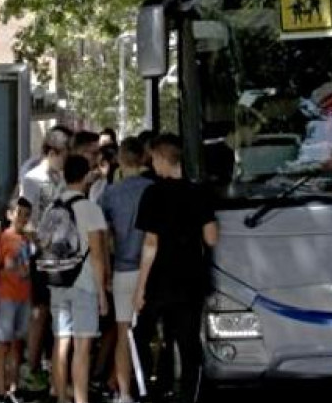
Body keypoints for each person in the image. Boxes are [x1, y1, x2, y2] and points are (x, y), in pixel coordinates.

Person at [132, 134, 219, 403]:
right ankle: (190, 393)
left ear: (160, 158)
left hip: (160, 280)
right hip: (192, 279)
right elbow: (211, 238)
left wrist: (140, 288)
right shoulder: (199, 192)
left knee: (143, 334)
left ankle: (151, 388)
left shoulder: (152, 193)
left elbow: (150, 243)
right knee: (188, 340)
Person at [48, 155, 109, 403]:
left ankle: (62, 398)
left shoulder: (53, 208)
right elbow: (96, 254)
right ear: (86, 177)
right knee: (82, 348)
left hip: (58, 283)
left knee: (61, 344)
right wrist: (102, 293)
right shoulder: (91, 209)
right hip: (84, 284)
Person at [97, 138, 153, 403]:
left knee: (122, 332)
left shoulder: (110, 193)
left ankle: (125, 392)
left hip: (122, 267)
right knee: (152, 332)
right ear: (144, 158)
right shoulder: (154, 189)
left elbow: (101, 232)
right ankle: (149, 383)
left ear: (119, 159)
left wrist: (105, 270)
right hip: (152, 268)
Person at [20, 128, 70, 390]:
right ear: (52, 153)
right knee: (40, 311)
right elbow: (25, 222)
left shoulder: (60, 178)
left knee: (57, 311)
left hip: (63, 254)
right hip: (43, 255)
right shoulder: (32, 179)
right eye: (63, 156)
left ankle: (53, 369)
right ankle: (33, 365)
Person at [0, 198, 33, 403]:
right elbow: (0, 263)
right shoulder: (4, 237)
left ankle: (13, 387)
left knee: (17, 344)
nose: (22, 218)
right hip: (7, 295)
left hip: (23, 295)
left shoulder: (27, 240)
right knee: (3, 344)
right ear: (9, 214)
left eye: (26, 214)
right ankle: (0, 389)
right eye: (19, 213)